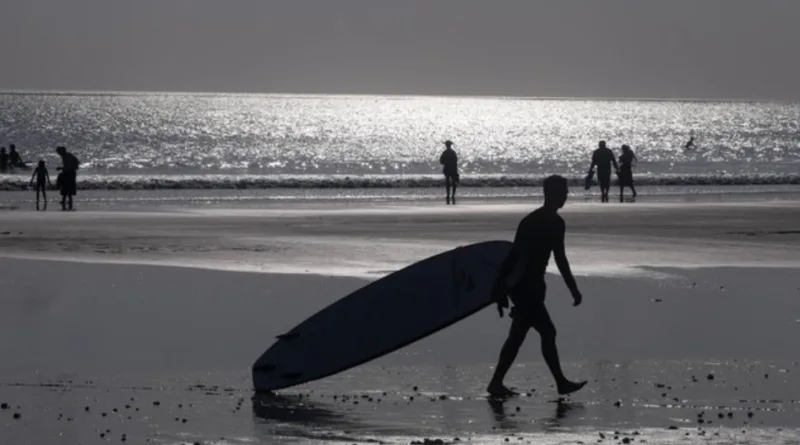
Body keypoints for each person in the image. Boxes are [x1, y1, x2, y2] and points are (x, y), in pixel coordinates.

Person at [487, 175, 587, 398]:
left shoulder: (540, 220)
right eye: (562, 192)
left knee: (518, 336)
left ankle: (496, 382)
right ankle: (560, 382)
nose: (566, 196)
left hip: (528, 285)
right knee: (547, 332)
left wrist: (503, 286)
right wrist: (573, 288)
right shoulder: (542, 222)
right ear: (550, 194)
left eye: (566, 192)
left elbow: (552, 257)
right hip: (526, 286)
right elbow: (520, 256)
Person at [55, 146, 80, 211]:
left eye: (59, 152)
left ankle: (65, 201)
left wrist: (61, 168)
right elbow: (73, 163)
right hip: (71, 173)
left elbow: (68, 167)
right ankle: (67, 202)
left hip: (69, 173)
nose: (58, 154)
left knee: (66, 189)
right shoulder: (67, 156)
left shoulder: (66, 156)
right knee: (68, 190)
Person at [439, 140, 459, 205]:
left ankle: (448, 195)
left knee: (447, 182)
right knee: (454, 182)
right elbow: (456, 161)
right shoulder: (453, 152)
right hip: (453, 169)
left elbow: (441, 161)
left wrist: (446, 161)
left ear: (446, 145)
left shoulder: (445, 152)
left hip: (447, 169)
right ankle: (453, 195)